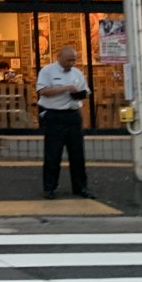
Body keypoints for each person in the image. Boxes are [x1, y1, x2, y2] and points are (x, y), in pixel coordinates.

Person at [36, 45, 95, 199]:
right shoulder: (47, 71)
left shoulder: (77, 73)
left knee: (77, 154)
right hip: (54, 115)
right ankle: (49, 188)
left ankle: (81, 187)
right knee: (53, 154)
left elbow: (86, 90)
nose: (71, 63)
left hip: (73, 115)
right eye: (69, 60)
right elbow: (42, 91)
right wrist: (65, 88)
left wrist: (82, 94)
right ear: (59, 57)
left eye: (74, 60)